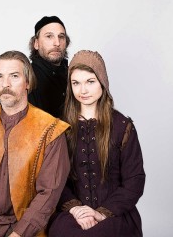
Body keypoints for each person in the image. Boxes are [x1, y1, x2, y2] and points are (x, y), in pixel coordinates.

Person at [0, 50, 70, 237]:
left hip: (29, 230)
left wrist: (18, 234)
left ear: (28, 82)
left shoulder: (51, 130)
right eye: (0, 77)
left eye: (14, 76)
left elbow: (48, 194)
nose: (6, 84)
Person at [48, 50, 146, 237]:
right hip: (73, 214)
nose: (82, 90)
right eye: (76, 83)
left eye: (90, 82)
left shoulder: (122, 126)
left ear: (102, 82)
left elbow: (135, 180)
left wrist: (101, 213)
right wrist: (76, 209)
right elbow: (54, 179)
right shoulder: (60, 127)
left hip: (114, 213)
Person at [28, 15, 70, 118]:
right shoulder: (27, 78)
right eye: (49, 36)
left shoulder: (74, 75)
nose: (57, 43)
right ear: (36, 43)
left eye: (61, 37)